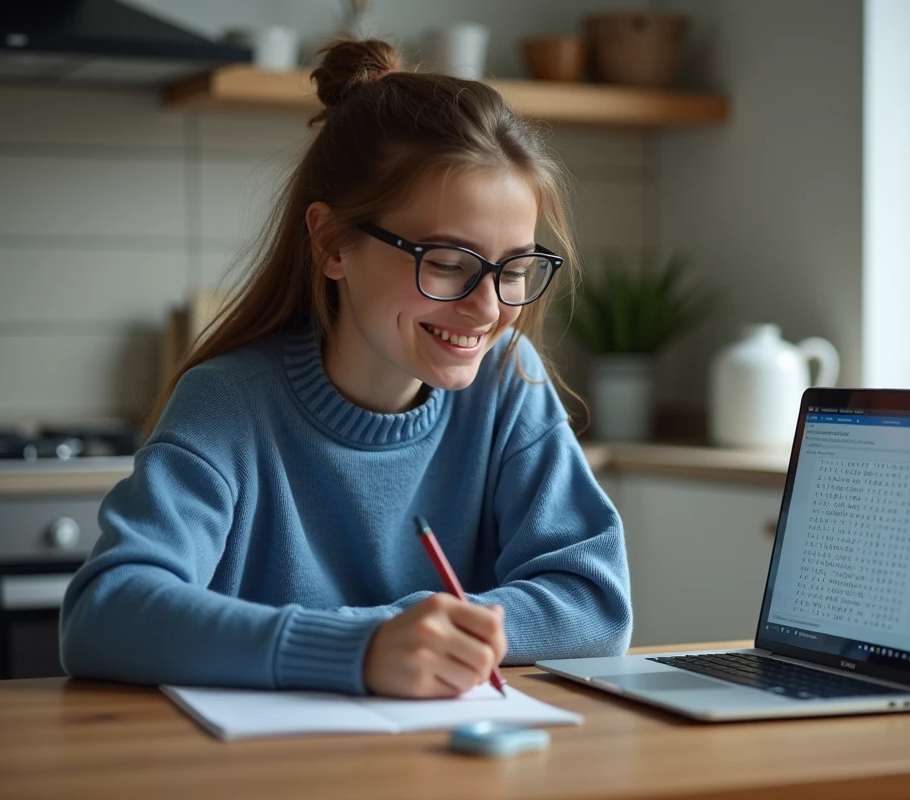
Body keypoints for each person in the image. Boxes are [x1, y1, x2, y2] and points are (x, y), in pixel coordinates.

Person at [59, 38, 632, 699]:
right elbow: (104, 613)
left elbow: (595, 603)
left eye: (515, 268)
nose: (488, 308)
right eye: (447, 262)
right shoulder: (230, 402)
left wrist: (406, 637)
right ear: (332, 243)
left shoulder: (510, 381)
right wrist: (358, 650)